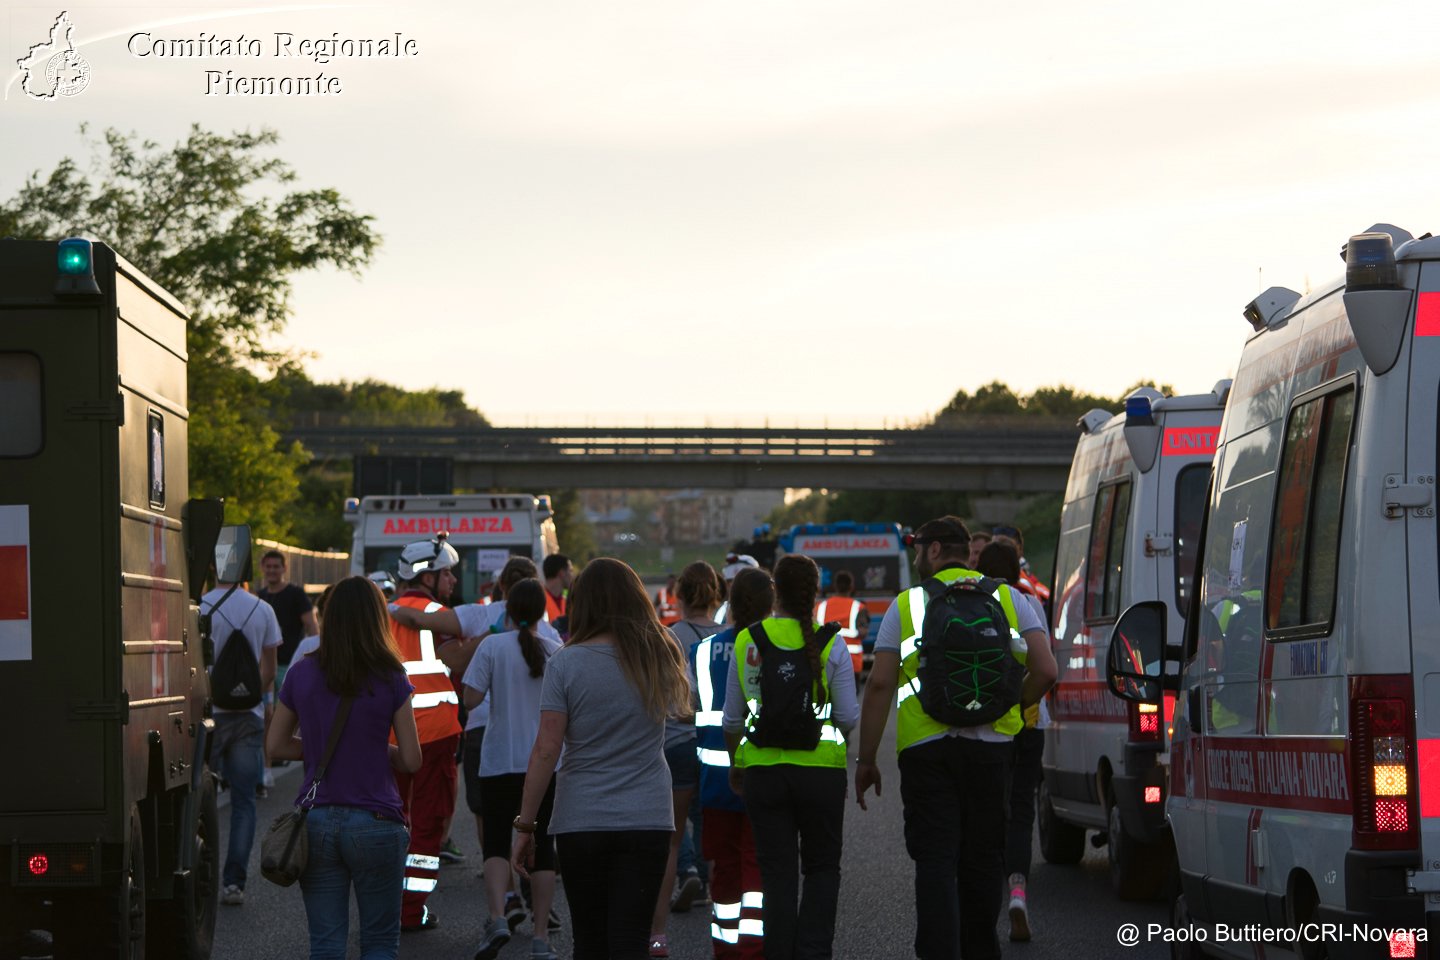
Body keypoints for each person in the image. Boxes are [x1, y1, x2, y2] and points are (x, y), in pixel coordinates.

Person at [856, 516, 1057, 960]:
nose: (913, 557)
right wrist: (1014, 707)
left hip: (927, 754)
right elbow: (1046, 670)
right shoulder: (1010, 599)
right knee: (984, 860)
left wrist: (866, 759)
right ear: (967, 552)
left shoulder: (906, 606)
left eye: (916, 549)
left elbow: (880, 686)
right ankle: (981, 951)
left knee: (935, 860)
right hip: (992, 751)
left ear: (932, 551)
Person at [512, 557, 690, 960]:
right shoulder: (661, 653)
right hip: (647, 816)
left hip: (582, 818)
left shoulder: (565, 663)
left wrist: (526, 825)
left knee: (590, 941)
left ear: (582, 603)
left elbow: (546, 749)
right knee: (631, 940)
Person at [266, 576, 422, 960]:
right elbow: (412, 760)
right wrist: (377, 750)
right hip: (377, 821)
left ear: (330, 616)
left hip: (316, 822)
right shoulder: (391, 675)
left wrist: (321, 750)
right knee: (380, 942)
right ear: (376, 618)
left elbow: (276, 745)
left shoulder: (302, 673)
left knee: (326, 944)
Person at [723, 555, 858, 960]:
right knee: (821, 868)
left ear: (775, 591)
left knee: (777, 875)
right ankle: (813, 953)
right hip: (821, 775)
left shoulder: (749, 639)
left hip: (764, 774)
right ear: (814, 592)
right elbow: (849, 715)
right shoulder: (831, 641)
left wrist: (737, 763)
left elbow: (732, 719)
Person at [464, 579, 563, 960]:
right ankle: (540, 936)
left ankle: (498, 918)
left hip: (498, 761)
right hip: (543, 764)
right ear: (543, 612)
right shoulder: (556, 651)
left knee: (495, 842)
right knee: (543, 849)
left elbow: (470, 699)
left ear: (507, 608)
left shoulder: (491, 647)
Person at [691, 566, 773, 959]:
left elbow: (688, 709)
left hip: (714, 778)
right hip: (762, 774)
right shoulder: (774, 646)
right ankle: (753, 949)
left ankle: (724, 949)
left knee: (723, 869)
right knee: (755, 865)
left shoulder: (704, 649)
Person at [974, 540, 1050, 943]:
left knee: (990, 813)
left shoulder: (974, 603)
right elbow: (1046, 667)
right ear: (1018, 572)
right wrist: (1022, 704)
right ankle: (1018, 894)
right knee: (1022, 813)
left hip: (989, 727)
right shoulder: (1028, 602)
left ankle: (981, 909)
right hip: (1030, 722)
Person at [389, 535, 465, 932]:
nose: (452, 580)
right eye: (446, 573)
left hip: (386, 738)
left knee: (388, 819)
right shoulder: (439, 614)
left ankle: (384, 906)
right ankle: (410, 908)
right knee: (428, 822)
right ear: (427, 576)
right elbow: (457, 661)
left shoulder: (384, 612)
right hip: (433, 734)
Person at [651, 561, 723, 958]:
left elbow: (660, 695)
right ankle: (725, 925)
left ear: (679, 595)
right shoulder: (731, 638)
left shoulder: (668, 637)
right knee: (716, 829)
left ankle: (658, 934)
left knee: (672, 839)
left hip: (676, 744)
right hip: (717, 746)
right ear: (716, 594)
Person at [201, 574, 282, 907]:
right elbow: (270, 669)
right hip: (248, 716)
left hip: (210, 717)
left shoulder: (201, 606)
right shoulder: (262, 608)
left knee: (200, 802)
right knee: (244, 803)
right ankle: (233, 883)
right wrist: (249, 698)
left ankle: (199, 876)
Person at [815, 569, 870, 678]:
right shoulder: (859, 607)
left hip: (825, 662)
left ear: (835, 586)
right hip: (851, 663)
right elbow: (863, 632)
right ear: (851, 586)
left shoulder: (821, 606)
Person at [991, 524, 1051, 606]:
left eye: (1005, 546)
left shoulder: (1022, 586)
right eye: (992, 547)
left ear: (1020, 549)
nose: (996, 551)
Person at [715, 554, 760, 625]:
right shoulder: (722, 612)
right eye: (730, 582)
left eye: (743, 582)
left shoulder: (763, 611)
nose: (735, 588)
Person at [542, 554, 574, 637]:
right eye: (570, 571)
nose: (572, 575)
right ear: (561, 573)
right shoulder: (539, 600)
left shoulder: (566, 601)